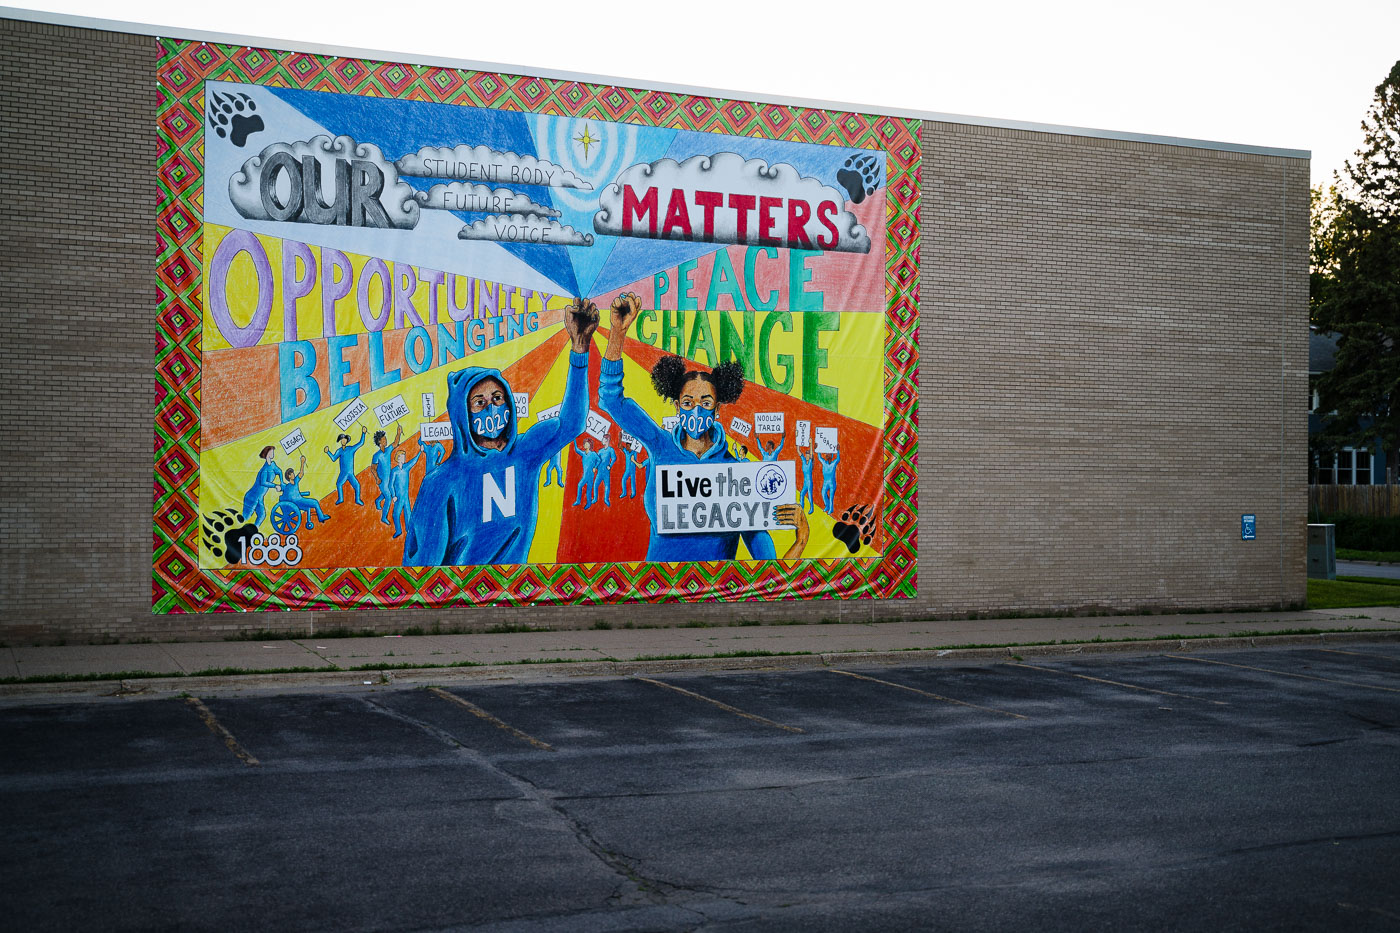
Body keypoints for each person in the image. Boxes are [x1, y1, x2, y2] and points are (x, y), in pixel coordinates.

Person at [597, 293, 807, 561]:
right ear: (676, 406)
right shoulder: (659, 444)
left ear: (718, 408)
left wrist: (800, 541)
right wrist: (617, 333)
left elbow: (768, 568)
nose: (696, 410)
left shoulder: (738, 473)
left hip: (714, 598)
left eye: (705, 403)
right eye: (688, 402)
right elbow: (611, 398)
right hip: (656, 594)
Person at [403, 298, 600, 566]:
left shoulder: (525, 452)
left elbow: (572, 423)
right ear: (463, 415)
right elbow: (422, 573)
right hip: (464, 603)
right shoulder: (441, 481)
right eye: (480, 403)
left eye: (497, 398)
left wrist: (579, 349)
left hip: (517, 598)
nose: (492, 409)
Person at [279, 454, 329, 529]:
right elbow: (288, 497)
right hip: (297, 501)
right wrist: (302, 462)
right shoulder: (289, 486)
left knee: (308, 507)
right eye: (292, 473)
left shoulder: (293, 483)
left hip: (298, 501)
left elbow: (301, 473)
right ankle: (321, 517)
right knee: (315, 502)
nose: (293, 474)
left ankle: (309, 522)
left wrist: (302, 463)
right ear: (289, 476)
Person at [323, 426, 367, 505]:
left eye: (344, 440)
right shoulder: (339, 451)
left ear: (347, 441)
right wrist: (328, 452)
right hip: (343, 473)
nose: (343, 441)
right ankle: (341, 499)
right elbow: (333, 458)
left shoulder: (351, 449)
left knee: (357, 485)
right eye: (342, 440)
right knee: (339, 484)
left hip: (350, 473)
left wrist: (363, 433)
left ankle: (357, 499)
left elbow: (361, 443)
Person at [388, 443, 423, 539]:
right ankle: (398, 530)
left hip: (405, 497)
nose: (404, 459)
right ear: (398, 458)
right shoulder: (394, 471)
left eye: (404, 457)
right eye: (402, 457)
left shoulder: (406, 468)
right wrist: (393, 495)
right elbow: (390, 484)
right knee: (396, 514)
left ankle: (409, 530)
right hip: (398, 497)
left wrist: (420, 451)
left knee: (408, 514)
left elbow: (414, 461)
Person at [241, 445, 282, 526]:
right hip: (252, 496)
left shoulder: (272, 464)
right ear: (267, 454)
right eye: (271, 451)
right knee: (246, 517)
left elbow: (279, 471)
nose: (273, 453)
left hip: (260, 497)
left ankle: (254, 531)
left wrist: (282, 482)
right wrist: (275, 486)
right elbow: (263, 482)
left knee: (261, 515)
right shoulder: (264, 469)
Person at [371, 424, 403, 525]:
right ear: (379, 441)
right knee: (388, 497)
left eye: (385, 439)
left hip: (388, 479)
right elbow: (373, 468)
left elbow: (396, 442)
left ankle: (377, 501)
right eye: (384, 439)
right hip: (382, 480)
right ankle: (383, 517)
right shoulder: (376, 455)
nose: (386, 440)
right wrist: (377, 478)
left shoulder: (388, 450)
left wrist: (398, 433)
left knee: (386, 493)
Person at [572, 439, 599, 508]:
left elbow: (599, 460)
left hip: (590, 475)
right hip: (585, 475)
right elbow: (577, 450)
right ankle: (578, 501)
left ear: (590, 445)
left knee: (589, 490)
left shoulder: (593, 454)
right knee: (579, 485)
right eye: (584, 444)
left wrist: (595, 467)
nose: (585, 445)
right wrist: (574, 440)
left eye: (587, 444)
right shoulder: (583, 454)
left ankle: (588, 503)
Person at [593, 437, 616, 507]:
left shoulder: (611, 450)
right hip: (599, 471)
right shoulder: (600, 451)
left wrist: (610, 465)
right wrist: (595, 467)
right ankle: (595, 498)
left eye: (603, 440)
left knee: (607, 486)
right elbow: (597, 459)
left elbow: (614, 458)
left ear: (607, 441)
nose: (602, 441)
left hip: (606, 471)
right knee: (596, 485)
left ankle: (606, 499)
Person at [819, 443, 841, 514]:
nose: (826, 455)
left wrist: (838, 451)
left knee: (831, 496)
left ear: (831, 456)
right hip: (825, 482)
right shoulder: (824, 463)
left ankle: (831, 509)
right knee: (823, 493)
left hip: (832, 482)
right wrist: (817, 449)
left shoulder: (833, 463)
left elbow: (838, 459)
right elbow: (819, 458)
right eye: (826, 454)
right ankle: (827, 506)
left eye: (828, 454)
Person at [797, 445, 817, 515]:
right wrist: (798, 443)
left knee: (810, 496)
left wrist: (811, 444)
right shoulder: (804, 461)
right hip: (805, 483)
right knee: (802, 494)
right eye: (806, 455)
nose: (806, 456)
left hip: (809, 482)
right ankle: (801, 507)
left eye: (807, 455)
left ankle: (812, 508)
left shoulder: (810, 463)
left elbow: (811, 454)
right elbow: (799, 452)